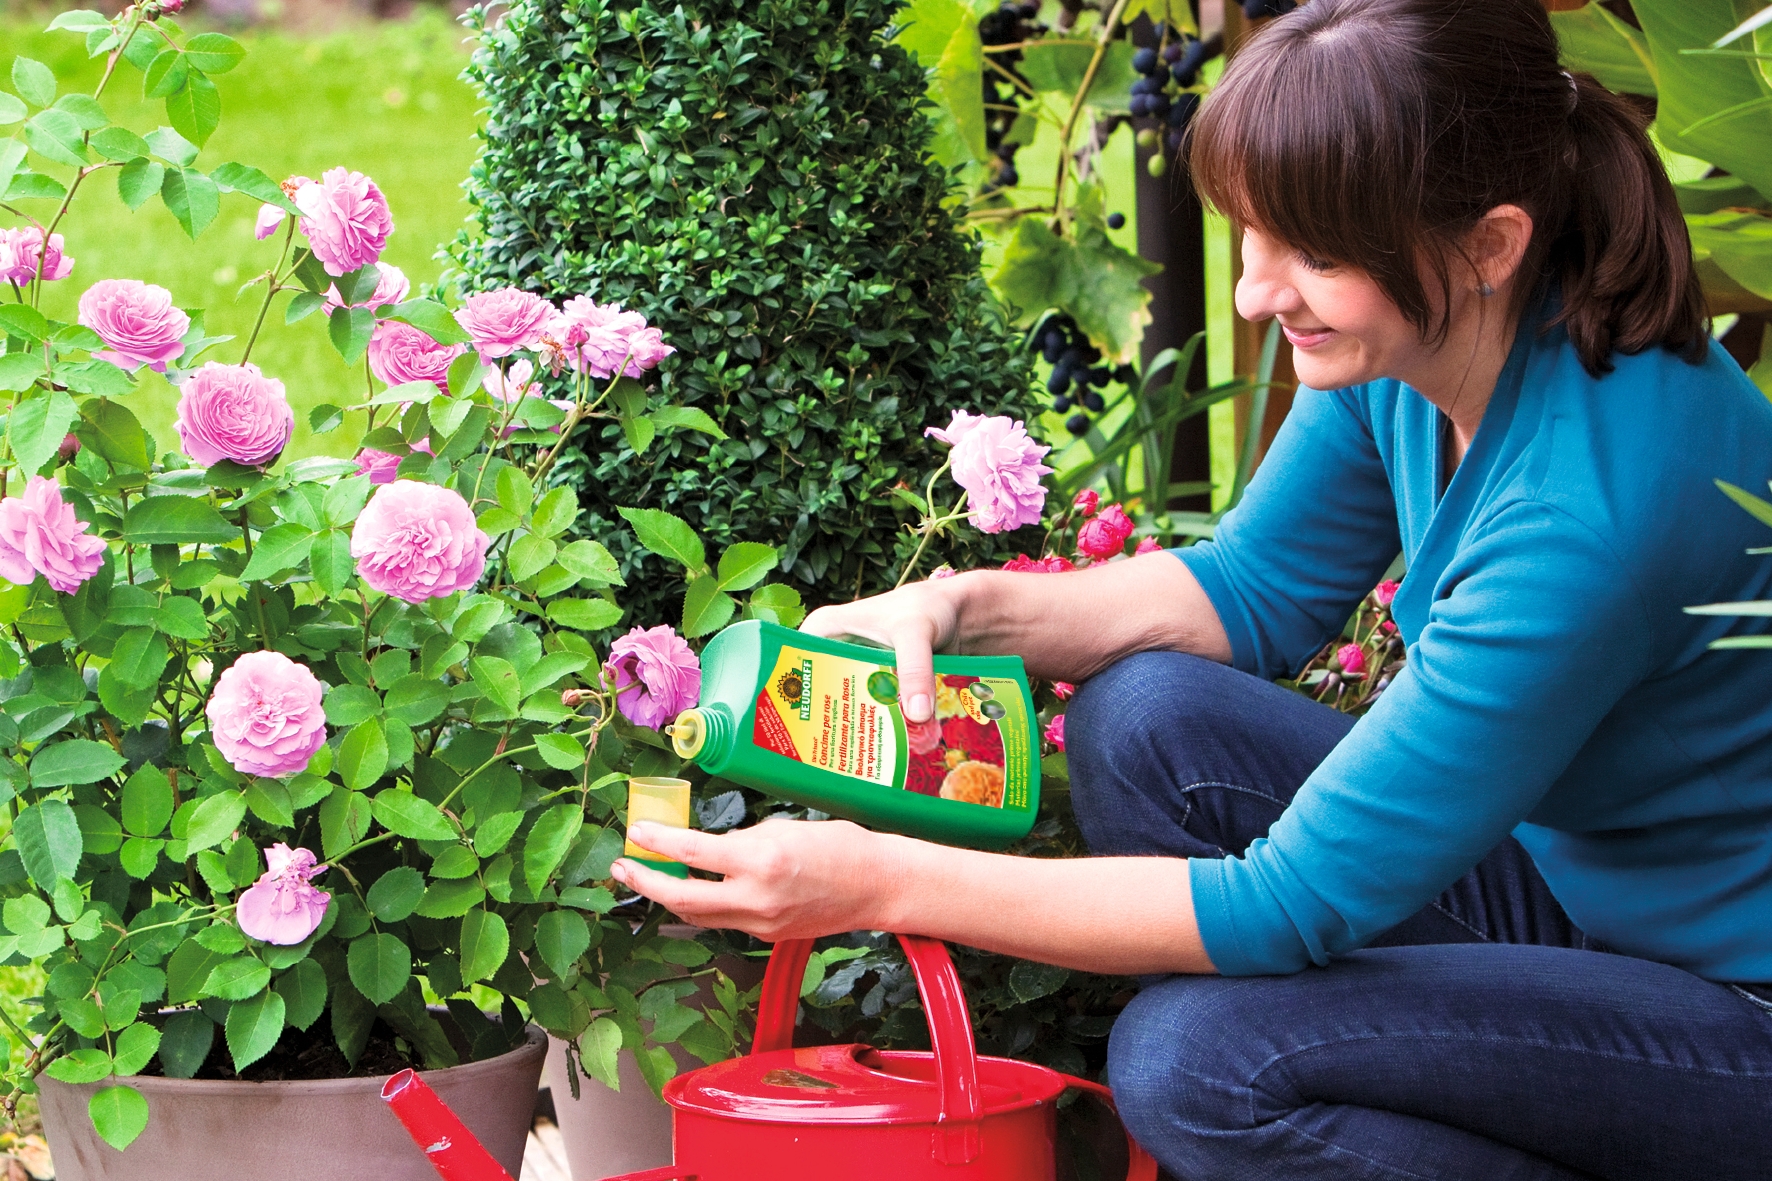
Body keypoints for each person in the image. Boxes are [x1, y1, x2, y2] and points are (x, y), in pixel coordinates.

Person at [609, 0, 1772, 1175]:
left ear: (1489, 240)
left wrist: (874, 879)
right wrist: (956, 606)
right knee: (1145, 714)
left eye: (1312, 252)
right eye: (1250, 236)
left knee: (1201, 1064)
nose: (1253, 295)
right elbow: (1248, 588)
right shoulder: (1428, 325)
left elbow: (1285, 903)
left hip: (1731, 1016)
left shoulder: (1586, 519)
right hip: (1578, 898)